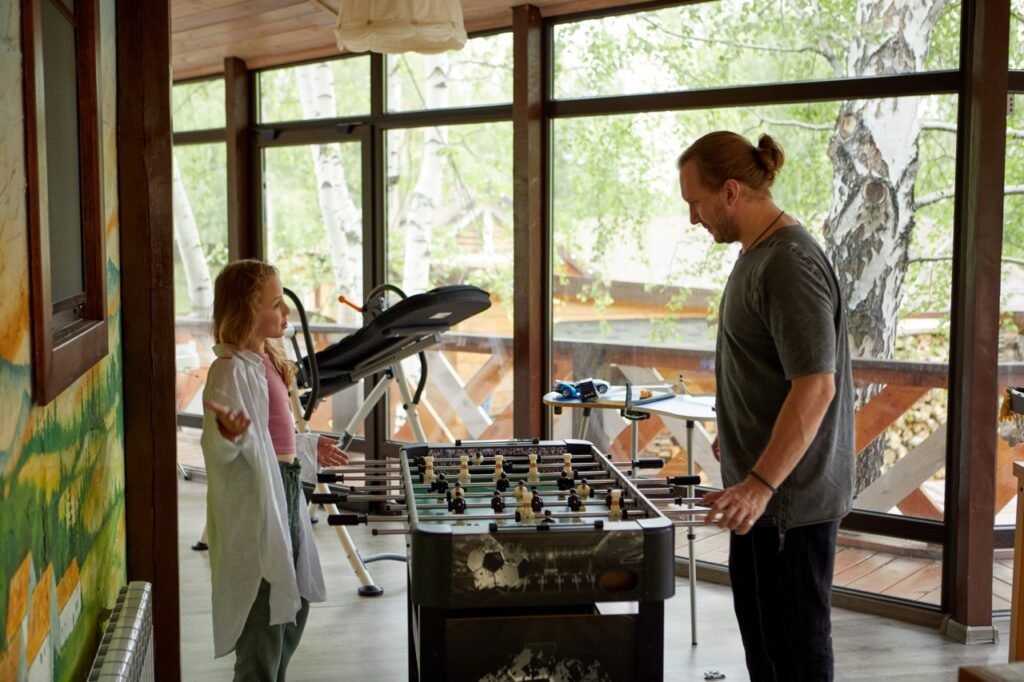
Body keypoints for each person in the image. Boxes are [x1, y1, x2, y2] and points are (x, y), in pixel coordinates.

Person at [677, 131, 854, 681]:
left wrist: (759, 483)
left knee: (795, 657)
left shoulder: (789, 263)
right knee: (765, 650)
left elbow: (816, 387)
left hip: (786, 506)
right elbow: (768, 370)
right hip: (760, 501)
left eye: (695, 203)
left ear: (730, 192)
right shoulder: (757, 255)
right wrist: (737, 431)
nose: (693, 218)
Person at [201, 259, 349, 680]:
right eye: (276, 304)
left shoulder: (265, 359)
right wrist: (227, 435)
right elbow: (221, 448)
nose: (285, 314)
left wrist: (308, 444)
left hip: (286, 488)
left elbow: (273, 439)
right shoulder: (229, 370)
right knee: (264, 608)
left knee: (293, 602)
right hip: (257, 503)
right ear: (247, 310)